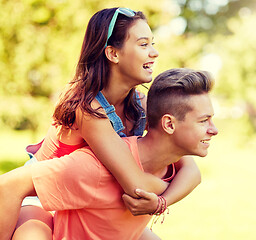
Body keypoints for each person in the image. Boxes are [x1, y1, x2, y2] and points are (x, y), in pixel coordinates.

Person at [9, 7, 201, 240]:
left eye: (153, 43)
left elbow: (191, 170)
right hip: (42, 196)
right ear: (113, 53)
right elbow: (135, 186)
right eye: (143, 44)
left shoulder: (141, 104)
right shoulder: (85, 106)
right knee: (31, 236)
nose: (154, 53)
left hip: (88, 203)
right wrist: (163, 187)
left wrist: (160, 202)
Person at [0, 68, 218, 240]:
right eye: (203, 121)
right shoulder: (94, 168)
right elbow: (8, 185)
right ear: (169, 124)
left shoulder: (172, 165)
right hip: (38, 204)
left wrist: (161, 201)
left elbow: (193, 173)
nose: (214, 129)